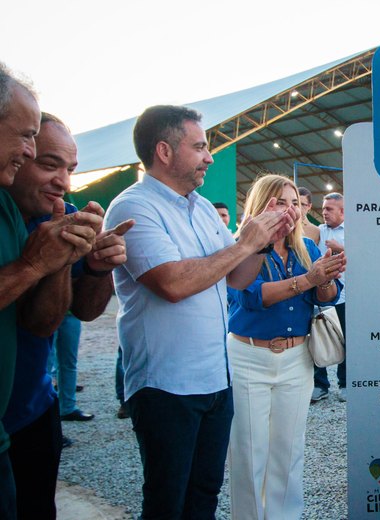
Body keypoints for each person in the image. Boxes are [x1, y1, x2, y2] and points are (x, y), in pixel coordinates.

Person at [103, 105, 296, 518]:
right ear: (164, 151)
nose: (210, 156)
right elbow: (173, 283)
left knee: (204, 493)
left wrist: (263, 241)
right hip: (165, 384)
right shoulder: (134, 207)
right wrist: (243, 243)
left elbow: (237, 278)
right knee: (167, 499)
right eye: (200, 146)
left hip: (213, 378)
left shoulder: (203, 208)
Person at [2, 112, 130, 518]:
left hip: (33, 409)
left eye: (70, 169)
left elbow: (78, 313)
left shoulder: (61, 214)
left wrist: (96, 267)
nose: (63, 182)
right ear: (18, 156)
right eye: (49, 164)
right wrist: (36, 263)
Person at [227, 174, 344, 519]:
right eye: (279, 201)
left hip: (297, 357)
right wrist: (309, 278)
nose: (289, 209)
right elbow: (251, 298)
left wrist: (327, 276)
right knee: (249, 452)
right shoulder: (243, 247)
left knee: (289, 450)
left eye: (294, 202)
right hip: (250, 357)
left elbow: (326, 297)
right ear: (261, 205)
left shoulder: (306, 248)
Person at [312, 192, 346, 402]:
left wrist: (340, 249)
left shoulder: (354, 232)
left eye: (329, 209)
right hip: (321, 297)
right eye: (323, 208)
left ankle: (345, 383)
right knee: (318, 338)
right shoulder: (317, 232)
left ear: (342, 211)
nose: (324, 212)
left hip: (345, 297)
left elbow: (366, 256)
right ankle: (320, 384)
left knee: (347, 342)